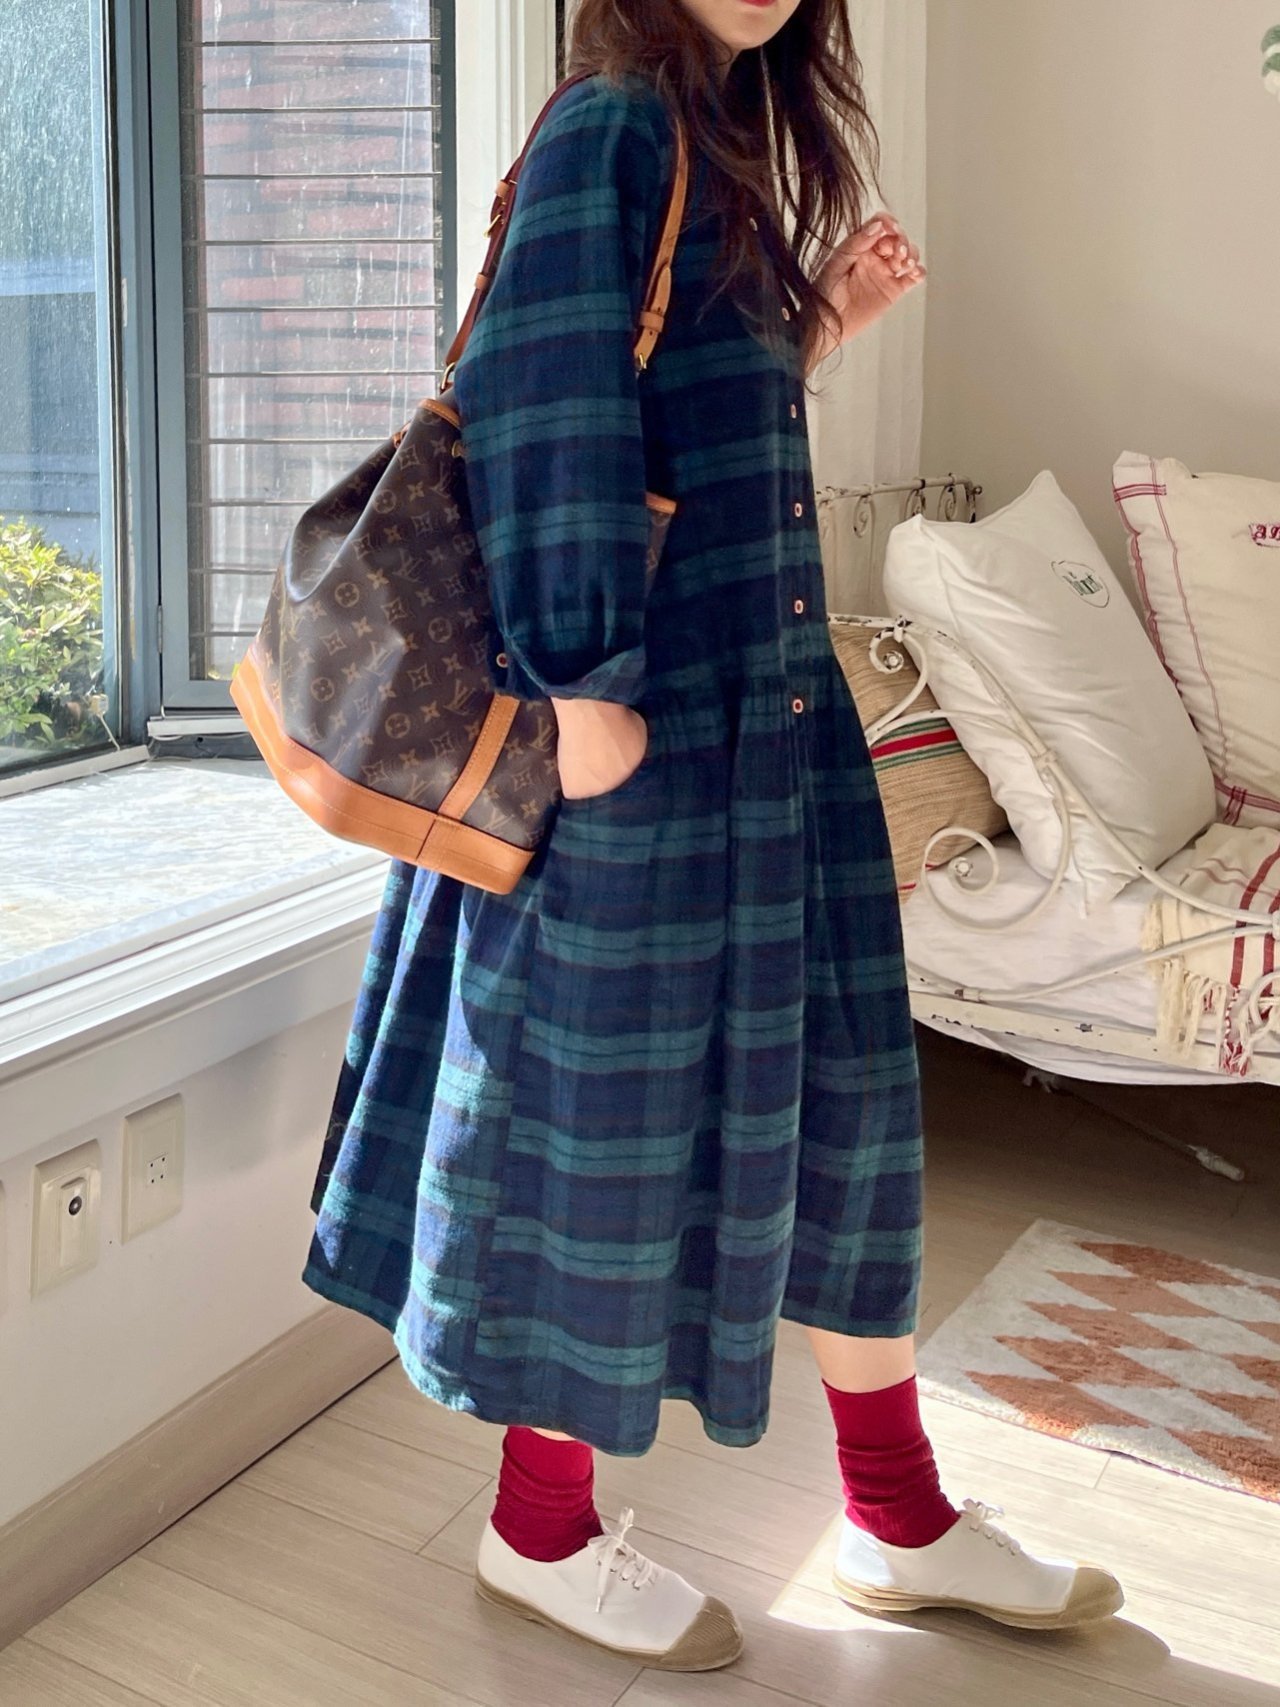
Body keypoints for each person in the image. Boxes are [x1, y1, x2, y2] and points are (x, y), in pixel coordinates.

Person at [302, 0, 1123, 1672]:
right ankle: (538, 1531)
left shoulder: (712, 146)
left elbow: (679, 418)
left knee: (844, 1121)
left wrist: (816, 324)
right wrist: (577, 682)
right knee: (596, 1138)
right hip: (642, 752)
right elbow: (541, 409)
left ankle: (898, 1519)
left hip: (770, 747)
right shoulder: (611, 123)